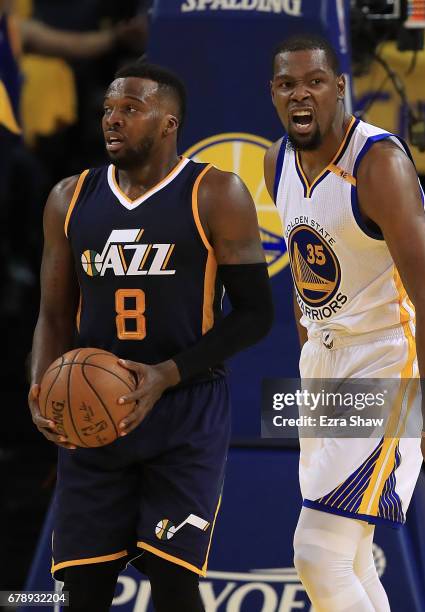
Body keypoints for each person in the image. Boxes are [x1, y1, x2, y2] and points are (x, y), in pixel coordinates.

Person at [28, 61, 273, 612]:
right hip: (94, 416)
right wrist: (42, 384)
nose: (113, 120)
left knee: (174, 587)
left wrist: (166, 374)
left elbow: (256, 315)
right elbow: (53, 313)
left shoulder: (215, 193)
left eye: (131, 110)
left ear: (168, 123)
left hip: (184, 409)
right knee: (81, 590)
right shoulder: (69, 198)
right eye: (109, 110)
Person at [264, 34, 425, 612]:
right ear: (273, 94)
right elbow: (305, 276)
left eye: (314, 82)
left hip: (388, 362)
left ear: (340, 88)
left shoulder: (378, 164)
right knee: (350, 556)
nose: (300, 94)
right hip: (325, 364)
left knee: (317, 553)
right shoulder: (276, 160)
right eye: (287, 84)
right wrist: (311, 358)